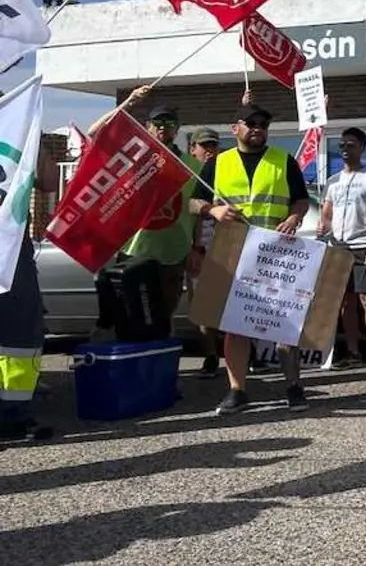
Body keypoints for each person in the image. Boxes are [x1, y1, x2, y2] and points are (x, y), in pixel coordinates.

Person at [190, 104, 312, 416]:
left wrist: (294, 217)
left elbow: (301, 199)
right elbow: (193, 201)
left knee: (284, 324)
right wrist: (213, 210)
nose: (258, 127)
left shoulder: (284, 160)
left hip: (276, 254)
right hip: (233, 254)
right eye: (252, 122)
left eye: (264, 124)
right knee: (236, 325)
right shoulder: (218, 163)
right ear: (236, 128)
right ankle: (237, 390)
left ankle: (294, 387)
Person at [91, 96, 202, 342]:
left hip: (173, 253)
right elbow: (95, 133)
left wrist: (197, 248)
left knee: (163, 320)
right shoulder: (132, 158)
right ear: (147, 126)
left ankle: (160, 362)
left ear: (177, 129)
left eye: (169, 123)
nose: (163, 128)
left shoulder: (191, 166)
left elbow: (197, 208)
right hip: (134, 252)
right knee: (130, 317)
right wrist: (129, 102)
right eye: (158, 123)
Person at [0, 141, 59, 442]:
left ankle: (14, 415)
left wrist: (35, 142)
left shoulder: (15, 135)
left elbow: (48, 182)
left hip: (12, 251)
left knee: (20, 336)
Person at [318, 127, 366, 373]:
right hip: (338, 248)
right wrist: (323, 226)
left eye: (351, 145)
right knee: (345, 302)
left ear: (362, 148)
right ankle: (353, 352)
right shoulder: (333, 181)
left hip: (363, 245)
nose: (345, 150)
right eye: (342, 146)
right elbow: (327, 214)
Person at [188, 127, 222, 378]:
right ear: (193, 149)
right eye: (204, 145)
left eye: (213, 145)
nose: (209, 150)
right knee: (201, 305)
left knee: (230, 302)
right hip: (196, 245)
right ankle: (211, 356)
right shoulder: (187, 173)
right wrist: (196, 248)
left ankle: (245, 353)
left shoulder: (223, 170)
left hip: (224, 244)